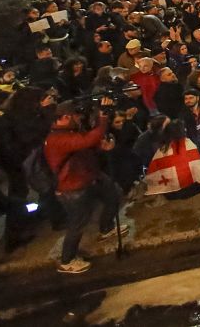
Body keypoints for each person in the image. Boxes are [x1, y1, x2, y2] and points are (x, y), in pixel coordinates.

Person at [43, 102, 127, 274]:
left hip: (90, 176)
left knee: (114, 193)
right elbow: (86, 140)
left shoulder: (70, 132)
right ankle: (67, 260)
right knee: (78, 222)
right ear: (65, 117)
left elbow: (87, 143)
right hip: (72, 187)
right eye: (76, 116)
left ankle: (106, 227)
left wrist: (101, 146)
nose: (79, 119)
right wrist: (102, 119)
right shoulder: (57, 139)